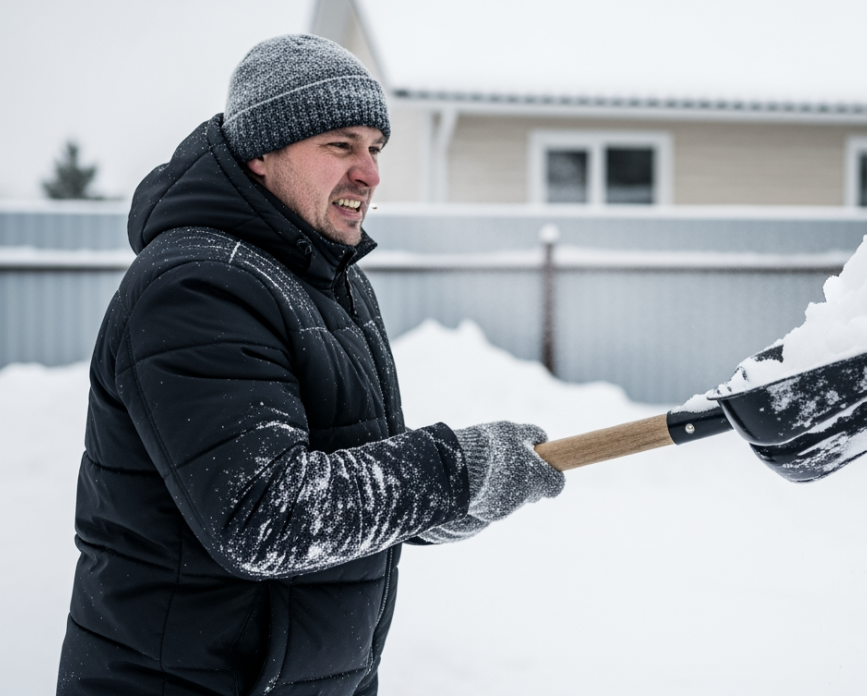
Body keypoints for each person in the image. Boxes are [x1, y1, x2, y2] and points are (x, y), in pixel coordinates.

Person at [56, 34, 564, 696]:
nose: (370, 173)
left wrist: (439, 508)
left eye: (375, 149)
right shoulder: (197, 288)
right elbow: (267, 515)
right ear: (262, 154)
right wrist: (452, 474)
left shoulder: (327, 285)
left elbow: (346, 475)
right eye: (340, 145)